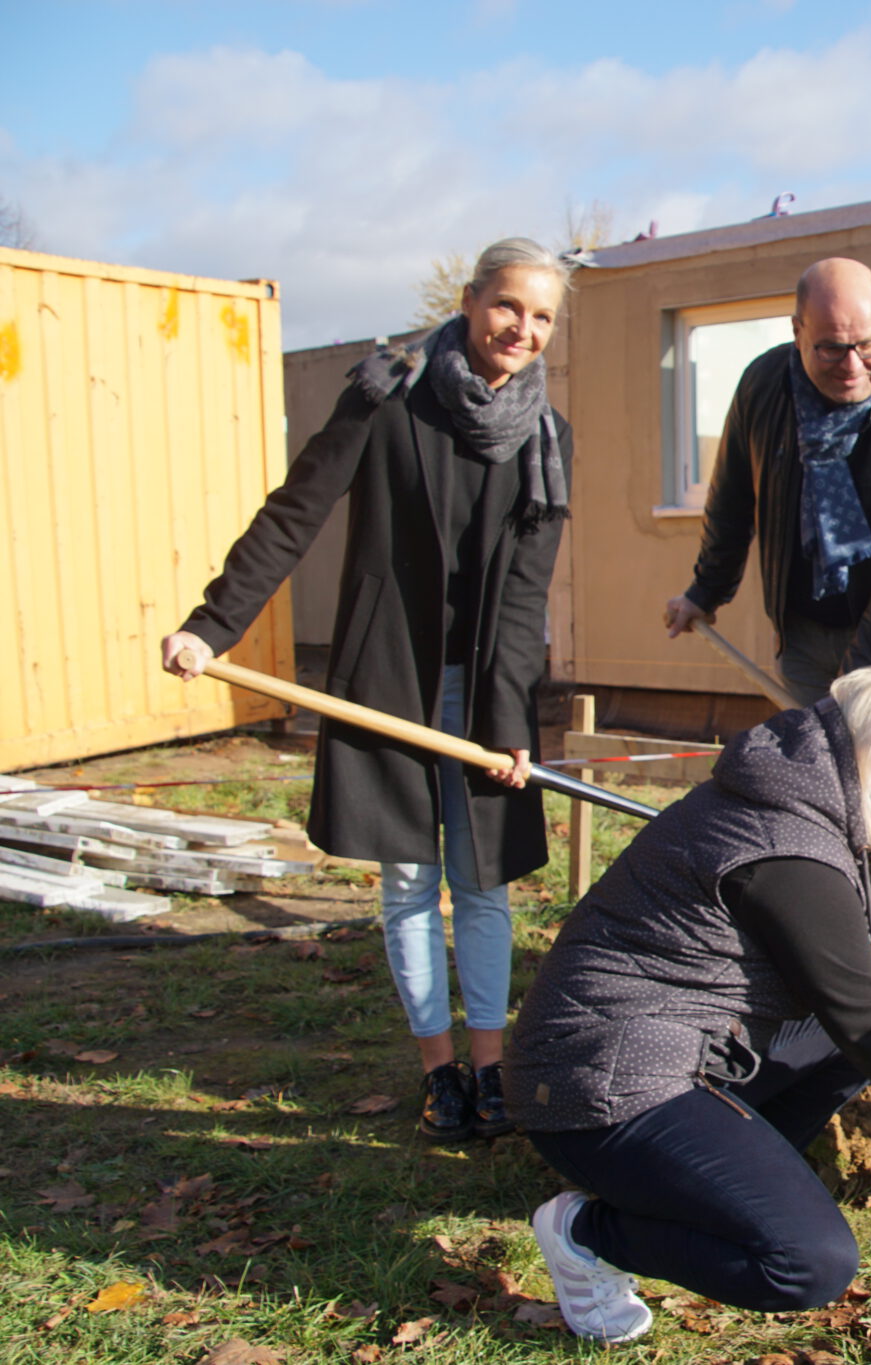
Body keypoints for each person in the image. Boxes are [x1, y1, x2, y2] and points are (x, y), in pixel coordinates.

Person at [160, 237, 573, 1145]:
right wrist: (211, 624)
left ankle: (494, 1066)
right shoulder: (389, 395)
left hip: (482, 687)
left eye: (543, 316)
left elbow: (522, 600)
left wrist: (513, 726)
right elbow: (294, 512)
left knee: (483, 881)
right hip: (387, 678)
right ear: (470, 300)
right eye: (509, 306)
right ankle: (440, 1075)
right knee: (408, 880)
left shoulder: (546, 438)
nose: (523, 329)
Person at [504, 665, 871, 1344]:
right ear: (853, 743)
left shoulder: (796, 800)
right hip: (596, 1079)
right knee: (808, 1261)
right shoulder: (786, 840)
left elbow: (838, 974)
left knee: (843, 1047)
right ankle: (586, 1233)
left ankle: (716, 1182)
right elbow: (856, 1006)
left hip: (663, 1043)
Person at [663, 257, 871, 1014]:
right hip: (805, 622)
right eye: (831, 346)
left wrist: (854, 705)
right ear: (796, 332)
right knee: (814, 802)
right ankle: (829, 968)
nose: (853, 364)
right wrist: (707, 589)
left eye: (868, 343)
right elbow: (733, 494)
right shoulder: (766, 386)